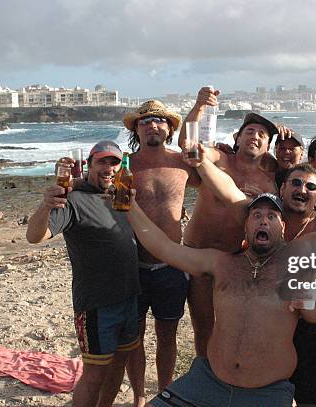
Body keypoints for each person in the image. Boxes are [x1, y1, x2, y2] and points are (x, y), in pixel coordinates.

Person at [127, 190, 316, 406]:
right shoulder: (221, 263)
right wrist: (130, 205)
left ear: (282, 227)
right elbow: (163, 247)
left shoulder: (295, 266)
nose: (263, 221)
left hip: (267, 392)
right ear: (246, 226)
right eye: (256, 215)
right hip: (208, 383)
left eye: (272, 216)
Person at [184, 149, 316, 406]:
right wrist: (202, 163)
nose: (302, 189)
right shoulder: (262, 214)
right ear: (283, 189)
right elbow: (228, 190)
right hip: (266, 324)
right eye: (296, 183)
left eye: (311, 186)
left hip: (308, 325)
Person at [26, 141, 140, 407]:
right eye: (102, 162)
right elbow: (34, 236)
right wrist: (45, 206)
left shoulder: (120, 197)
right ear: (89, 165)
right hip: (97, 305)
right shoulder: (72, 200)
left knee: (118, 365)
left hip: (129, 297)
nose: (109, 168)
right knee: (94, 375)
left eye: (114, 162)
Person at [179, 86, 278, 357]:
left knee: (230, 324)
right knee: (202, 324)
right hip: (197, 254)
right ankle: (203, 370)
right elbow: (189, 144)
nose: (255, 137)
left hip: (234, 260)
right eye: (249, 131)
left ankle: (226, 373)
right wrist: (199, 106)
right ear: (237, 137)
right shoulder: (219, 158)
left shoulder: (268, 182)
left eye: (262, 135)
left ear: (268, 147)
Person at [121, 100, 201, 407]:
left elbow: (211, 184)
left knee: (167, 334)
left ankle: (166, 391)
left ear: (169, 128)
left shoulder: (183, 162)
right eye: (145, 121)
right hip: (133, 264)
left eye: (159, 121)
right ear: (136, 129)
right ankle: (140, 395)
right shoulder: (125, 165)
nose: (152, 125)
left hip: (171, 265)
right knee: (134, 337)